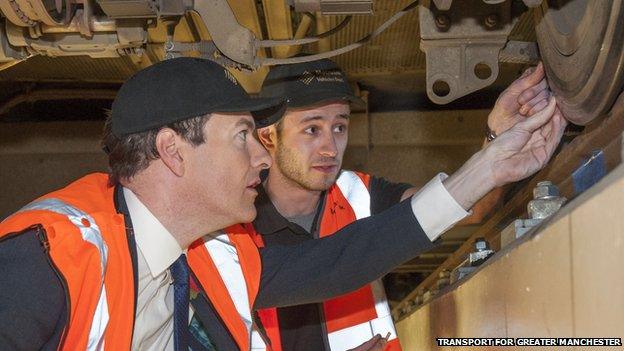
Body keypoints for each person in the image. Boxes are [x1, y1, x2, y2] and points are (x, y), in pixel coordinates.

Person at [0, 56, 565, 351]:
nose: (262, 156)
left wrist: (487, 166)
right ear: (173, 151)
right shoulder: (46, 260)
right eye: (242, 136)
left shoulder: (202, 259)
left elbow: (341, 261)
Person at [230, 59, 555, 351]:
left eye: (339, 127)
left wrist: (496, 138)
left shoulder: (360, 192)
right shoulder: (231, 225)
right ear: (269, 136)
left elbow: (469, 211)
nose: (330, 147)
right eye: (312, 129)